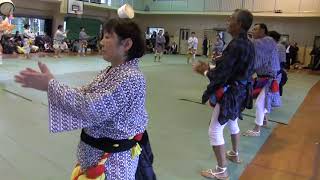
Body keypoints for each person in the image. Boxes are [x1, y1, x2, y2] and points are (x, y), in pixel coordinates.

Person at [15, 18, 152, 180]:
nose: (101, 42)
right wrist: (51, 85)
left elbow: (91, 107)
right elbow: (85, 93)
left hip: (112, 164)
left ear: (127, 44)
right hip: (96, 157)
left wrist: (51, 86)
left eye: (108, 37)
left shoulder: (130, 77)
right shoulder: (112, 71)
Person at [193, 9, 255, 179]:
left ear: (240, 24)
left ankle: (221, 171)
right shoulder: (248, 44)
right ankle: (234, 153)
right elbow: (235, 69)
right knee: (233, 121)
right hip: (242, 91)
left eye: (231, 19)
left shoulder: (236, 45)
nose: (228, 21)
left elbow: (223, 75)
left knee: (214, 130)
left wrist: (205, 71)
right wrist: (214, 66)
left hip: (232, 93)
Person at [243, 23, 281, 136]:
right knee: (261, 100)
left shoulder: (268, 41)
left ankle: (256, 129)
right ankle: (264, 120)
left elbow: (256, 55)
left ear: (263, 31)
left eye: (255, 29)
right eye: (252, 29)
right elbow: (256, 61)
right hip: (263, 77)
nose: (253, 31)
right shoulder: (260, 43)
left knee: (259, 103)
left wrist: (243, 37)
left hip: (271, 78)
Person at [268, 30, 287, 96]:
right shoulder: (280, 46)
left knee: (272, 91)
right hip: (277, 69)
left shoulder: (277, 46)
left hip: (275, 71)